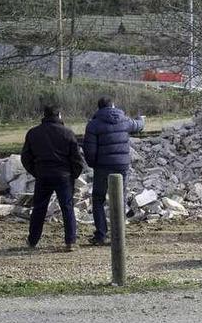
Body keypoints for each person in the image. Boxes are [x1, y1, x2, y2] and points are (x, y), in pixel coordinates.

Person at [21, 105, 84, 252]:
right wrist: (73, 175)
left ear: (44, 115)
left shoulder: (33, 133)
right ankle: (70, 241)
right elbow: (77, 159)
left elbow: (25, 157)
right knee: (67, 208)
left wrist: (35, 171)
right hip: (63, 176)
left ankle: (32, 241)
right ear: (59, 115)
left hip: (43, 175)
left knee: (39, 208)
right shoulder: (68, 133)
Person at [83, 97, 144, 246]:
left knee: (98, 199)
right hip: (122, 166)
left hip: (102, 167)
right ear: (113, 106)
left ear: (99, 108)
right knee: (119, 200)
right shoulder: (124, 120)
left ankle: (101, 235)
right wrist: (142, 119)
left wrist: (93, 164)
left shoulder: (93, 125)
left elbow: (89, 150)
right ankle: (118, 235)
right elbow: (138, 125)